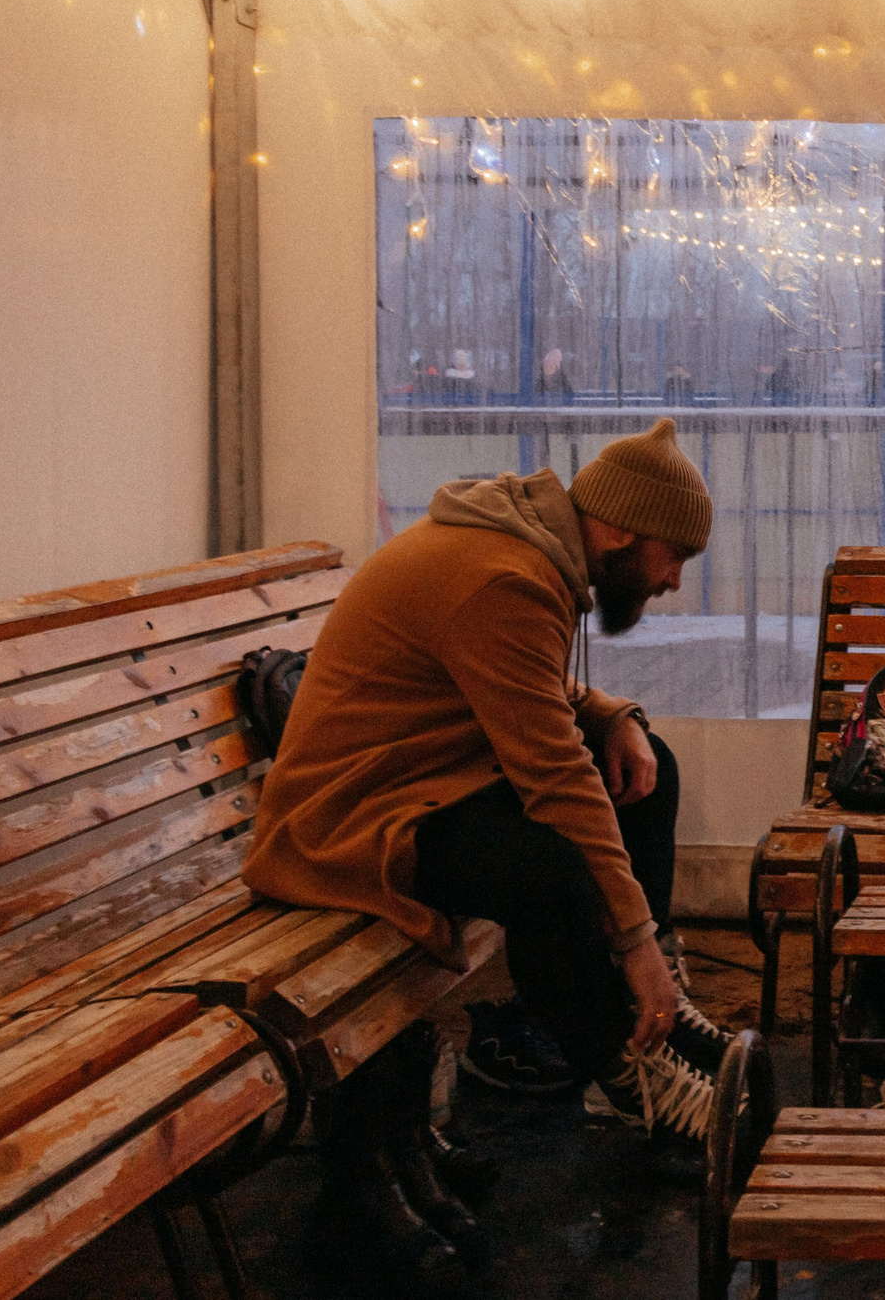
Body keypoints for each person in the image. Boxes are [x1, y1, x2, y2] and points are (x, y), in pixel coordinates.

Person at [246, 419, 730, 1282]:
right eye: (671, 556)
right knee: (549, 865)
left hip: (421, 785)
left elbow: (526, 681)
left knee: (645, 769)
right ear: (617, 530)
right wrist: (636, 942)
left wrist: (612, 714)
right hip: (348, 821)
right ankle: (629, 1066)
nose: (672, 580)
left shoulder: (529, 551)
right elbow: (553, 778)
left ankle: (654, 1026)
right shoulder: (506, 575)